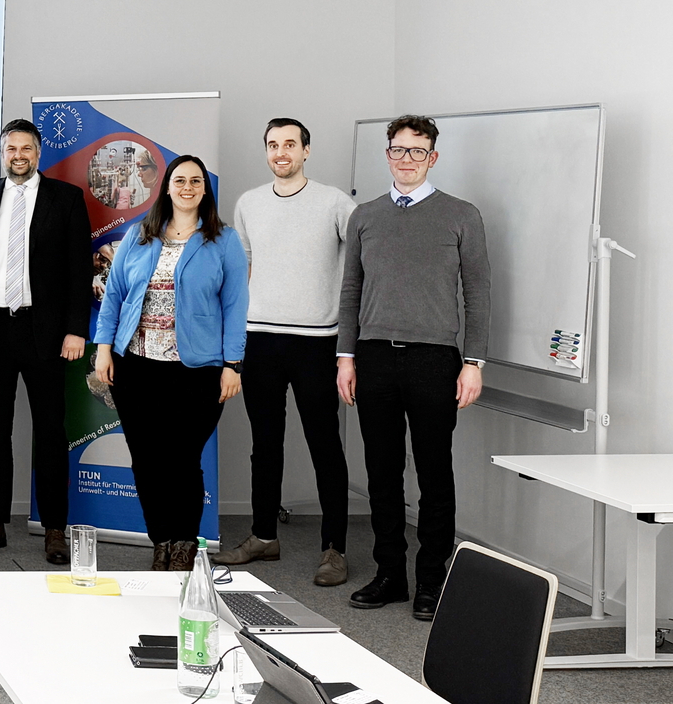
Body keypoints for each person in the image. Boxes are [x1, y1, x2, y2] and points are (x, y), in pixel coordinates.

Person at [336, 115, 489, 621]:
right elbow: (351, 291)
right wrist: (346, 355)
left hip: (434, 360)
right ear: (387, 155)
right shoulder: (365, 216)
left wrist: (473, 362)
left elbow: (478, 294)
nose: (406, 159)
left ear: (433, 158)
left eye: (416, 151)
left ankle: (431, 580)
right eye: (398, 150)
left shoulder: (461, 215)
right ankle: (390, 576)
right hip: (375, 357)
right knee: (381, 472)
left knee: (433, 472)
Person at [212, 119, 356, 587]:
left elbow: (360, 265)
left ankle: (334, 548)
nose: (281, 152)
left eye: (289, 144)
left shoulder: (335, 203)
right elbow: (244, 270)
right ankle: (262, 536)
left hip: (317, 342)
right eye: (273, 145)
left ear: (306, 151)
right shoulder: (249, 203)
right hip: (260, 341)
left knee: (325, 445)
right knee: (265, 444)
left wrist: (347, 345)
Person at [92, 154, 247, 571]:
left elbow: (236, 307)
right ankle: (160, 541)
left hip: (197, 371)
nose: (188, 187)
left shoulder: (224, 240)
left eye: (196, 181)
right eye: (180, 180)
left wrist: (233, 365)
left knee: (182, 461)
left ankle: (184, 546)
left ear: (204, 189)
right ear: (167, 186)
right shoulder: (140, 236)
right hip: (137, 367)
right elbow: (114, 296)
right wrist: (104, 348)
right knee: (145, 460)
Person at [0, 120, 92, 561]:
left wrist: (76, 330)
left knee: (50, 431)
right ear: (2, 151)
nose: (18, 155)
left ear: (38, 152)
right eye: (11, 148)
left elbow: (78, 270)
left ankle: (54, 528)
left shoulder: (66, 199)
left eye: (26, 148)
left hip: (45, 333)